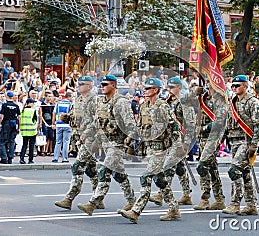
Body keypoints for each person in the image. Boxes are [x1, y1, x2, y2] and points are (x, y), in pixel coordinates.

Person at [119, 78, 180, 223]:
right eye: (144, 88)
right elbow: (139, 125)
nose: (144, 91)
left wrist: (174, 147)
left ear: (156, 90)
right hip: (150, 148)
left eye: (148, 88)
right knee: (159, 180)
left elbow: (175, 127)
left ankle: (136, 211)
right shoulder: (143, 106)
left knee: (146, 177)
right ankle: (174, 209)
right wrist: (130, 138)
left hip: (161, 149)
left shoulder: (163, 107)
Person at [77, 75, 137, 216]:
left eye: (105, 84)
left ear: (113, 86)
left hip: (116, 144)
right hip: (105, 142)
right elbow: (97, 122)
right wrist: (86, 133)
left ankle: (93, 203)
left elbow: (130, 124)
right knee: (119, 174)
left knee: (105, 171)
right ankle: (132, 200)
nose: (102, 86)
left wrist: (129, 139)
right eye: (101, 84)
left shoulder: (121, 102)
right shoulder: (102, 102)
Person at [55, 76, 103, 210]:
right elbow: (76, 120)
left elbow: (98, 121)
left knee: (77, 166)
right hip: (79, 138)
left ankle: (69, 198)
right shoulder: (78, 100)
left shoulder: (94, 100)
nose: (79, 86)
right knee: (91, 169)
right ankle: (98, 197)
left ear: (90, 86)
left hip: (91, 139)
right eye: (78, 84)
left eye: (82, 84)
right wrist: (67, 118)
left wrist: (90, 136)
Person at [222, 75, 259, 215]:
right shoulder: (233, 102)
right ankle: (251, 205)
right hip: (234, 141)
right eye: (232, 86)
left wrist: (254, 145)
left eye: (237, 86)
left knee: (234, 170)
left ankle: (235, 203)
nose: (234, 88)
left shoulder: (253, 102)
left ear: (245, 86)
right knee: (245, 174)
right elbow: (227, 124)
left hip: (246, 141)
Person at [149, 76, 192, 207]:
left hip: (180, 140)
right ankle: (186, 195)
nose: (169, 89)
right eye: (168, 87)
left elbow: (190, 124)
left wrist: (186, 144)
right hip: (169, 140)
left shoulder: (184, 102)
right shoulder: (167, 102)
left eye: (172, 87)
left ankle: (161, 194)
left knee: (168, 166)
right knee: (179, 168)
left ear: (179, 87)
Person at [193, 80, 226, 211]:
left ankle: (204, 197)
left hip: (214, 137)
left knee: (202, 165)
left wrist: (203, 128)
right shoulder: (202, 97)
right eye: (207, 82)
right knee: (211, 167)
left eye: (211, 82)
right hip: (202, 138)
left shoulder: (220, 100)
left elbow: (220, 121)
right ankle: (219, 199)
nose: (208, 84)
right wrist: (194, 94)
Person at [0, 91, 21, 164]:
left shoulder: (4, 105)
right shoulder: (16, 106)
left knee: (2, 141)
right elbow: (19, 117)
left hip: (6, 123)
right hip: (14, 123)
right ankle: (10, 158)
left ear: (7, 96)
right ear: (13, 97)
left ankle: (4, 158)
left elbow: (1, 116)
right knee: (12, 141)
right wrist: (19, 127)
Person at [51, 92, 73, 163]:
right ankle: (64, 158)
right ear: (69, 97)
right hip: (67, 125)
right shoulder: (70, 104)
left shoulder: (58, 103)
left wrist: (53, 123)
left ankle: (55, 158)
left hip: (59, 124)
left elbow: (54, 113)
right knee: (66, 142)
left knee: (58, 142)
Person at [19, 98, 38, 164]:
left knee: (24, 145)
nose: (33, 104)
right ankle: (30, 159)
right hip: (32, 130)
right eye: (33, 103)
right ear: (29, 103)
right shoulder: (33, 110)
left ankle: (21, 158)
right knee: (31, 145)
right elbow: (35, 121)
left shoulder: (22, 110)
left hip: (24, 131)